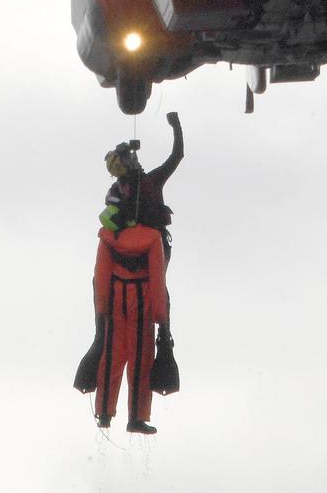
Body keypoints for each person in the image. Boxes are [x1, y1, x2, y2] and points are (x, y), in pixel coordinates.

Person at [84, 216, 170, 433]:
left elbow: (101, 275)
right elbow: (158, 281)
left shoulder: (107, 236)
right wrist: (162, 319)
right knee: (141, 360)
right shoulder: (153, 237)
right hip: (142, 302)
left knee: (111, 358)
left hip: (114, 301)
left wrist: (100, 312)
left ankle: (104, 413)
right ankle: (137, 418)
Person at [100, 111, 184, 257]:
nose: (133, 158)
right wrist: (176, 125)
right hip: (149, 245)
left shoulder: (117, 191)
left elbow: (177, 155)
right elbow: (177, 155)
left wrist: (176, 125)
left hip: (135, 248)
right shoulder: (150, 181)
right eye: (127, 158)